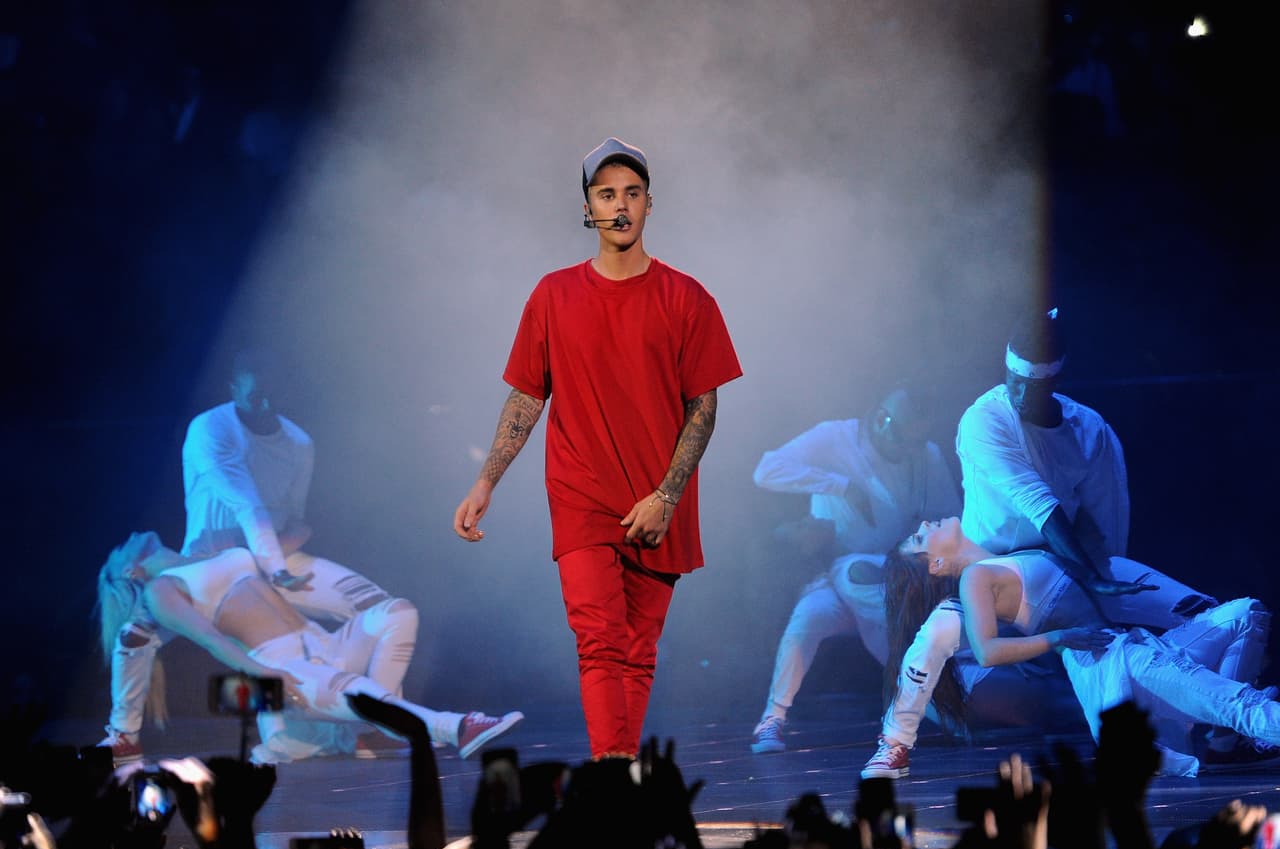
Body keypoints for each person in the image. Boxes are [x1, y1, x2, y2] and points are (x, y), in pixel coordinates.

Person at [452, 137, 743, 759]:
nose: (619, 207)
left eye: (631, 195)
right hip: (581, 493)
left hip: (656, 500)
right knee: (599, 639)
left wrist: (666, 495)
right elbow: (527, 398)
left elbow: (705, 406)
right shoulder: (553, 295)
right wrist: (486, 482)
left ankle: (621, 771)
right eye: (606, 195)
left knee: (638, 652)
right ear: (588, 208)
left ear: (649, 204)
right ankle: (612, 778)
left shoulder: (687, 299)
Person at [862, 308, 1218, 779]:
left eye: (1034, 385)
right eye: (1014, 381)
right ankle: (893, 746)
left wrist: (1101, 581)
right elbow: (1038, 503)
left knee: (1207, 614)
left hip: (1062, 576)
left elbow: (1107, 522)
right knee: (933, 637)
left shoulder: (1091, 433)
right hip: (1003, 589)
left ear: (1057, 379)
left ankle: (1218, 731)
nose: (1020, 394)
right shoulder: (984, 420)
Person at [99, 350, 416, 763]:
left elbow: (297, 521)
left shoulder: (299, 443)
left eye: (272, 394)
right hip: (225, 571)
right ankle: (124, 735)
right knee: (136, 633)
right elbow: (246, 503)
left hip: (271, 562)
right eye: (255, 394)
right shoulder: (210, 429)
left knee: (379, 606)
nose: (265, 403)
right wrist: (273, 564)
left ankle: (374, 723)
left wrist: (280, 557)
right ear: (235, 389)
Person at [884, 517, 1278, 777]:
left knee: (1245, 614)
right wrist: (1057, 639)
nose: (924, 524)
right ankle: (1232, 725)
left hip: (1138, 648)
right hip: (1115, 664)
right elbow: (987, 651)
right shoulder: (974, 578)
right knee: (1242, 704)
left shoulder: (1002, 559)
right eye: (920, 538)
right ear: (935, 564)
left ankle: (1223, 739)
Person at [97, 532, 523, 764]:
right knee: (353, 687)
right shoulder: (162, 589)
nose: (133, 535)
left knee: (397, 611)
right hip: (276, 665)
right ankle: (458, 728)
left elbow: (296, 534)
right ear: (132, 571)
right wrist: (264, 677)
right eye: (124, 547)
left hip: (324, 642)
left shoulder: (206, 551)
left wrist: (254, 531)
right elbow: (211, 640)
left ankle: (378, 726)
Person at [747, 387, 964, 752]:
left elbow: (950, 517)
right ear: (883, 421)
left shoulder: (925, 455)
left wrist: (923, 556)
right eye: (904, 442)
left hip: (889, 573)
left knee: (881, 619)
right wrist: (840, 486)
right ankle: (773, 718)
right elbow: (766, 470)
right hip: (842, 571)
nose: (909, 452)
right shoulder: (835, 438)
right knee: (809, 620)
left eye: (916, 443)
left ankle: (938, 703)